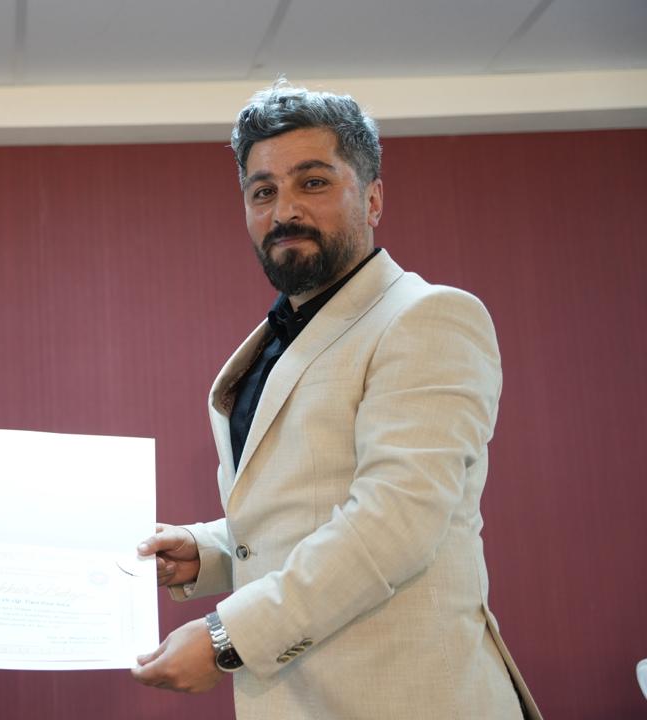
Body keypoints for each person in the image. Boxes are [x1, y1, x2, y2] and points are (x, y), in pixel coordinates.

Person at [130, 81, 541, 719]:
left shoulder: (427, 316)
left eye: (313, 182)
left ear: (372, 198)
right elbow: (305, 512)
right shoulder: (274, 341)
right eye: (262, 191)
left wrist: (225, 638)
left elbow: (391, 524)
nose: (284, 210)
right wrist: (205, 551)